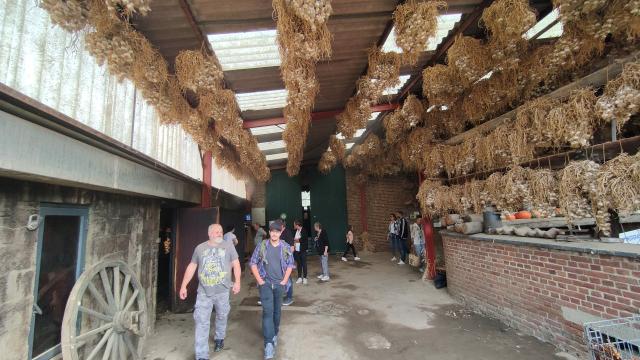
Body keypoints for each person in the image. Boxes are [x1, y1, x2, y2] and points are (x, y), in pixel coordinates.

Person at [179, 224, 241, 359]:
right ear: (209, 234)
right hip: (204, 292)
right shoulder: (200, 248)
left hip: (223, 291)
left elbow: (236, 264)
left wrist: (237, 282)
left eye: (221, 232)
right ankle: (201, 354)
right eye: (216, 232)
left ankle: (219, 337)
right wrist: (184, 285)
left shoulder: (228, 246)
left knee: (222, 315)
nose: (219, 234)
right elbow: (192, 266)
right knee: (201, 321)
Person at [249, 220, 294, 360]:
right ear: (269, 232)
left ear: (281, 232)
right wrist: (260, 281)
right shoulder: (262, 246)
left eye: (277, 231)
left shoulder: (285, 246)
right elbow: (253, 263)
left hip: (280, 285)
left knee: (277, 311)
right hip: (266, 284)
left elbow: (290, 265)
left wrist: (285, 281)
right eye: (272, 231)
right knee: (267, 312)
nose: (274, 234)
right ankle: (268, 344)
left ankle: (274, 333)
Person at [280, 220, 295, 306]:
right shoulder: (278, 232)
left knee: (288, 278)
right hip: (278, 260)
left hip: (285, 261)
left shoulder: (287, 233)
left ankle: (289, 297)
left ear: (282, 226)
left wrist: (287, 259)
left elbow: (292, 248)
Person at [293, 219, 308, 284]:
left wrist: (296, 240)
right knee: (299, 264)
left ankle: (305, 278)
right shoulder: (296, 231)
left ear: (297, 225)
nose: (293, 226)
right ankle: (299, 277)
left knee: (304, 263)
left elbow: (302, 240)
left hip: (303, 250)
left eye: (294, 224)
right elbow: (295, 240)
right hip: (297, 250)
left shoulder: (304, 230)